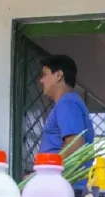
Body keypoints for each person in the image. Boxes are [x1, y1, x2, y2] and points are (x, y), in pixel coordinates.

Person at [38, 55, 95, 188]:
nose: (41, 80)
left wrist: (44, 173)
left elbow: (75, 145)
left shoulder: (67, 103)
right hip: (64, 186)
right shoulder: (68, 103)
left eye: (45, 75)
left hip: (65, 187)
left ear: (58, 75)